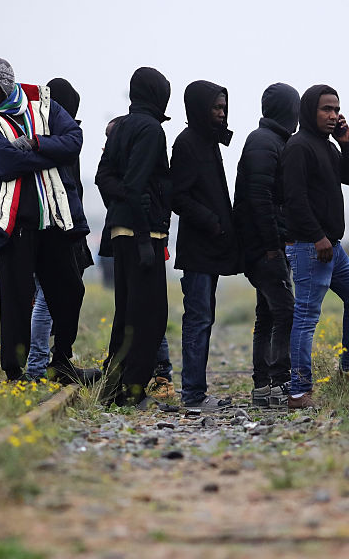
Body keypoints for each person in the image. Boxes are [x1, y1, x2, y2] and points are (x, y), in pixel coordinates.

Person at [0, 58, 95, 385]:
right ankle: (15, 373)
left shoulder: (45, 105)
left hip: (54, 218)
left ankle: (62, 360)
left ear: (8, 85)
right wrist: (50, 158)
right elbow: (3, 163)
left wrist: (36, 144)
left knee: (71, 289)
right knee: (16, 298)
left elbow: (74, 140)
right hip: (16, 223)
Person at [282, 84, 349, 409]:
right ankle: (298, 391)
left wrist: (346, 144)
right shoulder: (298, 147)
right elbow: (295, 198)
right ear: (309, 111)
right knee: (306, 317)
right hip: (311, 246)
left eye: (336, 109)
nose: (333, 116)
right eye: (325, 109)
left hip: (332, 247)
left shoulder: (328, 147)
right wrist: (317, 236)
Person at [95, 67, 173, 407]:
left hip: (120, 231)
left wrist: (123, 202)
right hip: (145, 233)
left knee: (126, 314)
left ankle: (112, 388)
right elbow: (138, 182)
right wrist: (144, 236)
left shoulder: (122, 126)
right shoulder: (151, 130)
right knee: (151, 317)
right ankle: (132, 391)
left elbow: (103, 177)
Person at [171, 80, 240, 411]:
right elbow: (177, 196)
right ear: (199, 108)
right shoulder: (187, 143)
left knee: (204, 318)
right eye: (215, 107)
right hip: (198, 248)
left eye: (224, 107)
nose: (221, 113)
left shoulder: (208, 141)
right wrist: (211, 221)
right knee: (198, 319)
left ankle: (195, 391)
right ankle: (193, 395)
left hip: (209, 247)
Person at [233, 82, 300, 408]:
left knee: (268, 313)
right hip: (264, 246)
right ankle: (279, 381)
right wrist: (273, 246)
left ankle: (262, 386)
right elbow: (260, 200)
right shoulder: (264, 142)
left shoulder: (271, 140)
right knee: (285, 310)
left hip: (264, 244)